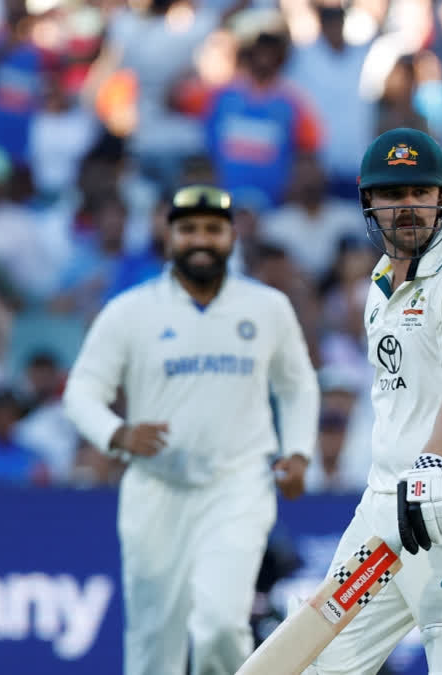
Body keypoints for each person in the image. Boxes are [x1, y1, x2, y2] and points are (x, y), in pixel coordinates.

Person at [63, 184, 320, 675]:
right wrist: (117, 434)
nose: (200, 240)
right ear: (168, 235)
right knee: (153, 643)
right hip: (156, 490)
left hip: (237, 484)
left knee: (221, 625)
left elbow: (298, 385)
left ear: (231, 236)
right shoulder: (130, 311)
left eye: (212, 229)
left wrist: (300, 453)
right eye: (188, 230)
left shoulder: (266, 307)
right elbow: (81, 391)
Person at [307, 127, 442, 674]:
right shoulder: (379, 288)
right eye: (392, 195)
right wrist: (403, 480)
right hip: (382, 513)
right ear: (367, 203)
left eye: (420, 194)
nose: (407, 208)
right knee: (322, 663)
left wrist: (430, 467)